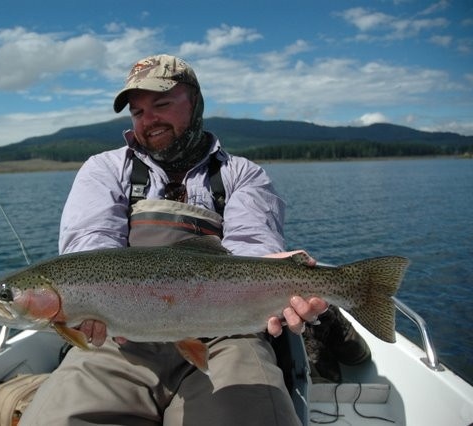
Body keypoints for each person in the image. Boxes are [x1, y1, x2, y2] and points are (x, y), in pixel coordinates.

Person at [20, 54, 361, 426]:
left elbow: (252, 246)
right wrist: (84, 306)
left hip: (227, 334)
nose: (148, 120)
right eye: (137, 112)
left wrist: (281, 276)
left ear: (195, 102)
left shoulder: (242, 174)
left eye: (162, 104)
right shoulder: (104, 169)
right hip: (121, 339)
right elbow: (89, 248)